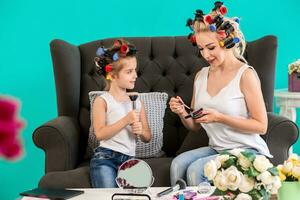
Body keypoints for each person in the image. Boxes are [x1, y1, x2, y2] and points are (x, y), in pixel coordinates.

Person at [169, 1, 272, 186]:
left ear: (226, 41)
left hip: (246, 152)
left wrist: (220, 117)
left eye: (211, 47)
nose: (206, 55)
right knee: (177, 165)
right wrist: (182, 112)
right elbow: (195, 126)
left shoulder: (245, 75)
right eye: (201, 49)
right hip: (217, 149)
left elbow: (261, 126)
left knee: (195, 170)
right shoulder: (201, 76)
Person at [90, 39, 151, 188]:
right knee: (108, 195)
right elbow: (100, 134)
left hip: (130, 160)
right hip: (105, 157)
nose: (135, 75)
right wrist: (126, 120)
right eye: (129, 72)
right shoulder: (102, 100)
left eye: (135, 70)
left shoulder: (136, 102)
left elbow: (147, 137)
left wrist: (141, 131)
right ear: (113, 75)